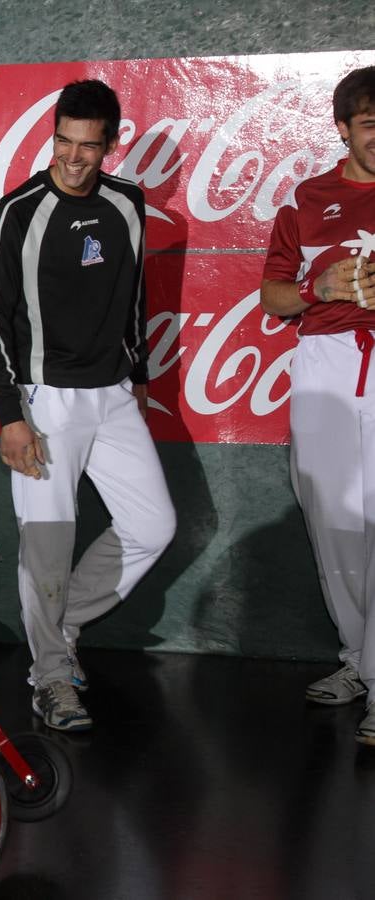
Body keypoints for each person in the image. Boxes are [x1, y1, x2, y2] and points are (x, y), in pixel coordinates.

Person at [0, 79, 176, 733]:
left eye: (87, 146)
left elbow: (132, 294)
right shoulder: (16, 212)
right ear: (52, 136)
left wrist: (138, 373)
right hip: (41, 403)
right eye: (62, 141)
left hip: (111, 396)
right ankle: (51, 677)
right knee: (46, 548)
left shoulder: (126, 204)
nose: (71, 156)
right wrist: (10, 414)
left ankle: (58, 629)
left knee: (153, 526)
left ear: (108, 146)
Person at [260, 66, 375, 744]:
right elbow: (271, 298)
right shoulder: (307, 200)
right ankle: (359, 661)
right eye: (369, 124)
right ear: (341, 128)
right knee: (331, 522)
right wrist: (318, 284)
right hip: (325, 363)